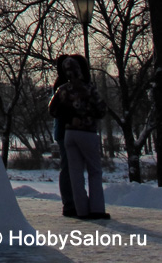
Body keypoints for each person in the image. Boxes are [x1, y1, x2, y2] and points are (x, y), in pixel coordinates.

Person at [48, 55, 109, 220]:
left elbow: (52, 110)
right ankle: (96, 209)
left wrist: (67, 116)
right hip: (87, 132)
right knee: (94, 171)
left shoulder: (62, 89)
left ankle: (79, 209)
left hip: (69, 133)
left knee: (74, 173)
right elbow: (102, 109)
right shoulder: (88, 88)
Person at [52, 56, 77, 217]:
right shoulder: (63, 86)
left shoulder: (59, 84)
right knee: (68, 167)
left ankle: (71, 201)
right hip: (65, 130)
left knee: (68, 166)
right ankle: (69, 202)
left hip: (63, 131)